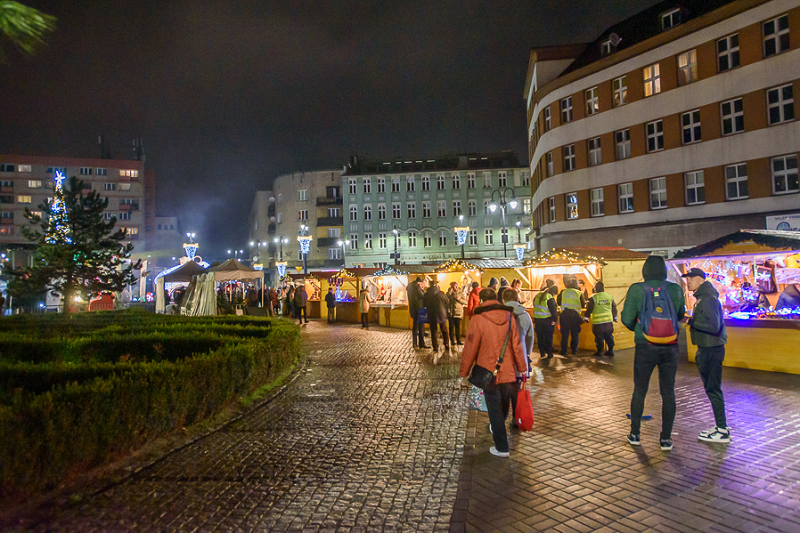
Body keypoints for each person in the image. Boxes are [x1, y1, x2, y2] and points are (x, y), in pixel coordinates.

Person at [621, 255, 686, 451]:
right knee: (668, 392)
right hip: (670, 345)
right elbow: (681, 314)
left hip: (645, 345)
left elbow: (626, 318)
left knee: (640, 390)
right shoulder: (675, 289)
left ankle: (635, 434)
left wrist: (642, 329)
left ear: (645, 270)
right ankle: (666, 438)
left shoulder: (636, 289)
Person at [459, 288, 528, 458]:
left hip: (488, 371)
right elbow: (517, 345)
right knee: (503, 405)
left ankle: (502, 447)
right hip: (509, 371)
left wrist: (464, 372)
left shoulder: (478, 318)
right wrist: (522, 369)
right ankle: (500, 438)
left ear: (481, 300)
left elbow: (471, 347)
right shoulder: (509, 317)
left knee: (494, 409)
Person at [681, 268, 730, 444]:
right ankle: (719, 427)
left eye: (692, 278)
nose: (688, 281)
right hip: (708, 348)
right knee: (712, 388)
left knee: (713, 389)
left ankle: (722, 431)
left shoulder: (708, 299)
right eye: (687, 278)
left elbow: (713, 326)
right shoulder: (702, 298)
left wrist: (689, 320)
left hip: (711, 349)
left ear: (701, 280)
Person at [502, 288, 536, 373]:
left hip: (502, 361)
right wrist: (527, 353)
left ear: (503, 299)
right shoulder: (525, 315)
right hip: (520, 358)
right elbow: (530, 337)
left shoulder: (498, 314)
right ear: (517, 298)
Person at [584, 281, 618, 357]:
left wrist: (586, 318)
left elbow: (589, 309)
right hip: (608, 321)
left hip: (598, 322)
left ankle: (599, 352)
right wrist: (615, 317)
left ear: (595, 288)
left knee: (599, 337)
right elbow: (614, 307)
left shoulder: (593, 298)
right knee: (609, 336)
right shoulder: (609, 296)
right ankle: (611, 351)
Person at [557, 278, 586, 355]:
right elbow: (583, 305)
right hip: (575, 315)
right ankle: (574, 351)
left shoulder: (563, 292)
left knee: (564, 334)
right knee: (575, 334)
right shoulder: (579, 293)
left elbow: (558, 302)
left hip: (564, 315)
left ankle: (564, 351)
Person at [424, 280, 450, 353]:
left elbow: (424, 304)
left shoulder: (426, 294)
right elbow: (447, 302)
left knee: (433, 330)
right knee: (444, 329)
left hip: (431, 313)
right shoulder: (441, 294)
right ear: (436, 285)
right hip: (441, 313)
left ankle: (435, 346)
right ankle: (446, 344)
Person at [533, 285, 558, 359]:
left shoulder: (538, 295)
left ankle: (542, 353)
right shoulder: (549, 297)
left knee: (540, 337)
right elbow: (553, 310)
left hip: (537, 320)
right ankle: (549, 354)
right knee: (548, 337)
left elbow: (534, 304)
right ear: (553, 292)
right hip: (547, 320)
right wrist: (554, 320)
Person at [408, 276, 427, 348]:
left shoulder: (410, 287)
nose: (422, 285)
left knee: (415, 326)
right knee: (421, 326)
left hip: (413, 309)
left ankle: (415, 343)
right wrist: (422, 290)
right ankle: (421, 343)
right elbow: (423, 295)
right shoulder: (417, 287)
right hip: (420, 308)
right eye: (421, 284)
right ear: (419, 283)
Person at [447, 281, 467, 346]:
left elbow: (465, 302)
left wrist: (459, 299)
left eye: (456, 286)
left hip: (458, 313)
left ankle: (458, 340)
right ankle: (452, 340)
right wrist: (450, 292)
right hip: (451, 313)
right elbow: (446, 299)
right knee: (451, 328)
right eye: (454, 286)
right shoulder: (449, 293)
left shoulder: (460, 293)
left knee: (457, 328)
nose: (456, 287)